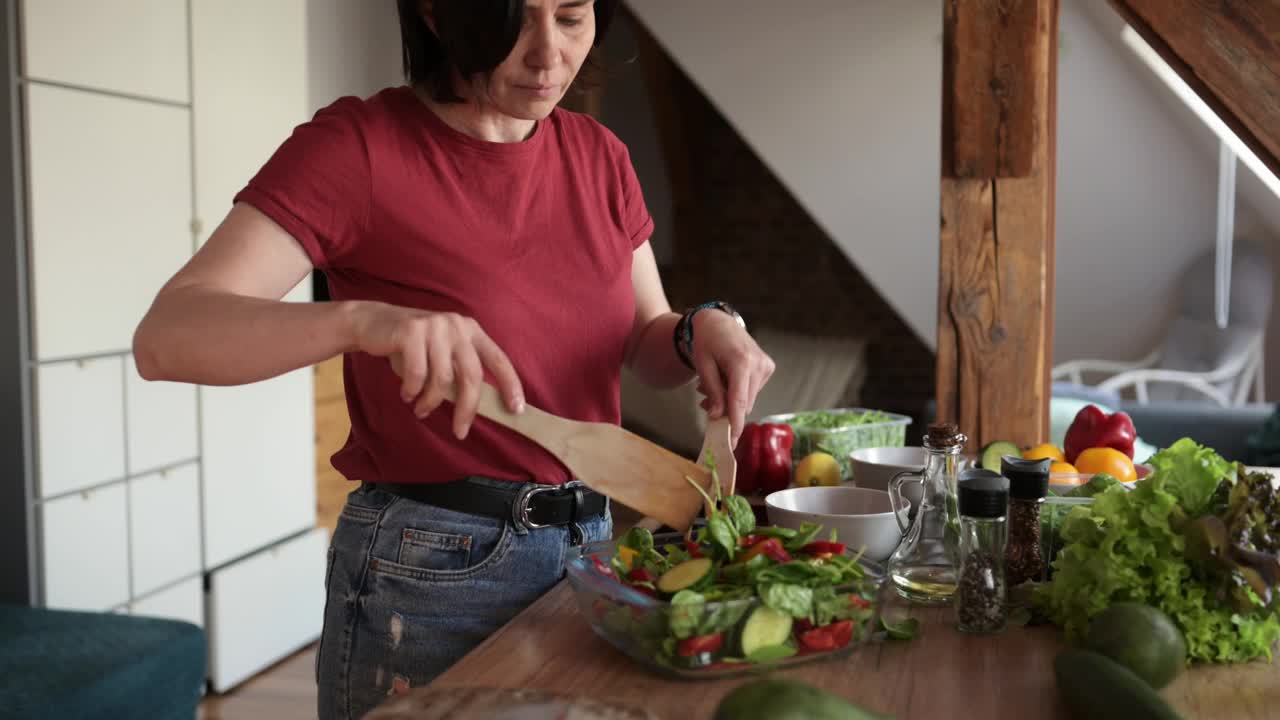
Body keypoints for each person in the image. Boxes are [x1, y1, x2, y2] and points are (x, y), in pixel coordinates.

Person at [133, 1, 774, 717]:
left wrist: (701, 329)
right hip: (430, 568)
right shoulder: (359, 147)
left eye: (571, 16)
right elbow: (166, 335)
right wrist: (363, 321)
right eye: (517, 19)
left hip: (593, 550)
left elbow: (643, 338)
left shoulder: (599, 156)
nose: (548, 55)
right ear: (439, 12)